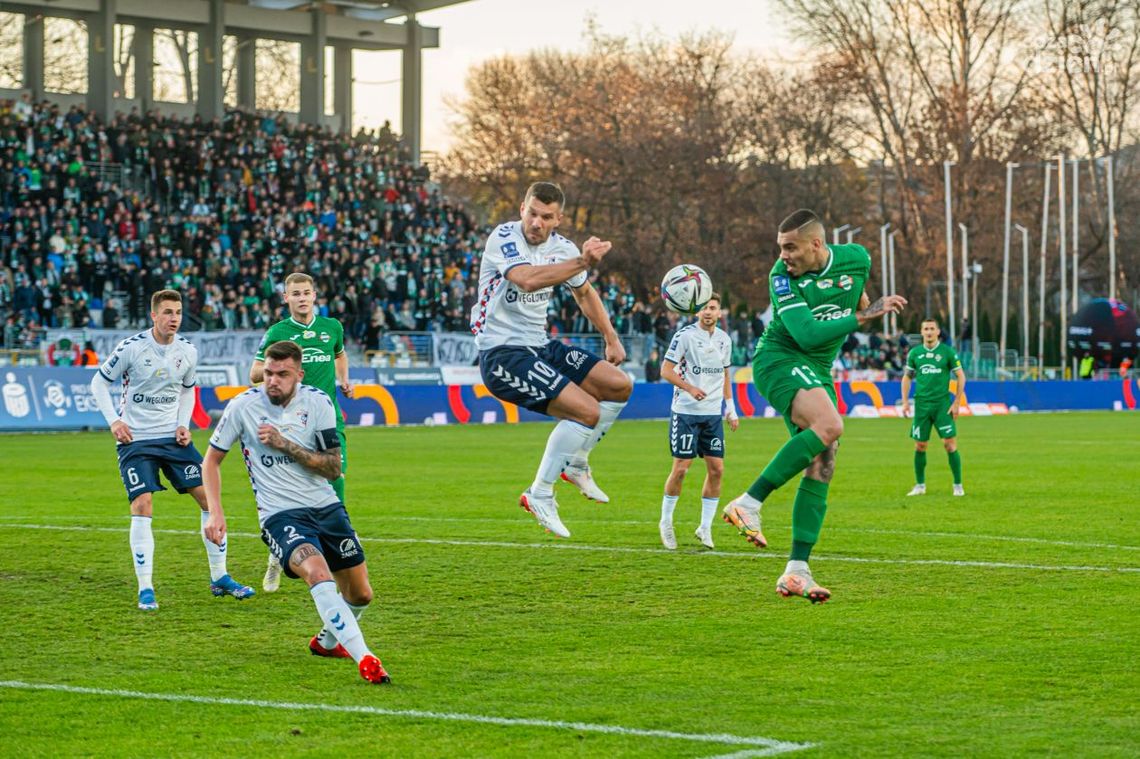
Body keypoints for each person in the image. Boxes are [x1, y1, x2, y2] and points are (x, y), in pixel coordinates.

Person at [721, 209, 906, 603]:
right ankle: (748, 502)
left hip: (818, 369)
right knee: (830, 426)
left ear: (817, 244)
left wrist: (865, 307)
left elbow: (860, 296)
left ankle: (797, 571)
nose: (783, 255)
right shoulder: (780, 278)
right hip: (780, 361)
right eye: (780, 247)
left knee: (824, 460)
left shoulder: (858, 257)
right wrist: (863, 315)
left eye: (791, 247)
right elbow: (807, 334)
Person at [203, 340, 390, 685]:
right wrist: (215, 512)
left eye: (282, 374)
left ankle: (327, 642)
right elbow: (211, 460)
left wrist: (284, 443)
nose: (272, 381)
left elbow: (333, 468)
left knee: (361, 595)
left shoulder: (318, 403)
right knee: (318, 574)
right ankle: (366, 658)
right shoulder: (243, 406)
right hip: (280, 516)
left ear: (299, 375)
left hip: (326, 507)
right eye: (268, 374)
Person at [471, 181, 632, 538]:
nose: (537, 222)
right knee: (587, 411)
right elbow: (526, 280)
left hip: (539, 345)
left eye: (546, 216)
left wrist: (611, 337)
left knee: (618, 386)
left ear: (558, 219)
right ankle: (539, 493)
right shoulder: (504, 237)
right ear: (521, 209)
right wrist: (582, 261)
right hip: (502, 353)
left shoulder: (565, 249)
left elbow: (584, 291)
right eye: (532, 213)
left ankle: (576, 464)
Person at [90, 289, 254, 611]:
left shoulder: (187, 352)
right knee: (143, 503)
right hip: (136, 441)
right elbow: (98, 382)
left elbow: (188, 390)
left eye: (177, 312)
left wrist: (184, 424)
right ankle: (146, 587)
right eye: (167, 312)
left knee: (208, 498)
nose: (174, 318)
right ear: (153, 316)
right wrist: (114, 422)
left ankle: (220, 577)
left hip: (172, 439)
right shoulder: (132, 348)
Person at [250, 272, 353, 593]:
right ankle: (276, 554)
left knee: (336, 476)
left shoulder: (331, 327)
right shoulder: (279, 333)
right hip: (292, 421)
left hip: (328, 418)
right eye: (296, 294)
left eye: (307, 292)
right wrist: (280, 373)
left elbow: (339, 353)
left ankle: (341, 540)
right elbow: (254, 373)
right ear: (286, 298)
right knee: (292, 490)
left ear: (314, 295)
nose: (302, 298)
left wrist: (344, 379)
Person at [658, 294, 738, 550]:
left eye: (713, 307)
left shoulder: (725, 340)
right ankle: (666, 521)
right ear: (696, 312)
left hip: (712, 413)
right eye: (704, 308)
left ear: (719, 312)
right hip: (686, 411)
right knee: (681, 468)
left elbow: (726, 373)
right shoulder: (684, 336)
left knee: (717, 469)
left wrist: (731, 408)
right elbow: (666, 371)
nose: (708, 312)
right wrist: (690, 388)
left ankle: (704, 527)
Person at [901, 318, 966, 496]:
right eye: (925, 329)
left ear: (938, 332)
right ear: (921, 332)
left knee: (949, 444)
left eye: (932, 329)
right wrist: (905, 402)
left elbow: (960, 376)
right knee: (920, 445)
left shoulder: (947, 352)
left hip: (942, 405)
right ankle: (920, 486)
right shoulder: (915, 353)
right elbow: (907, 377)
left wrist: (957, 402)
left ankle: (958, 485)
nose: (929, 332)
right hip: (921, 405)